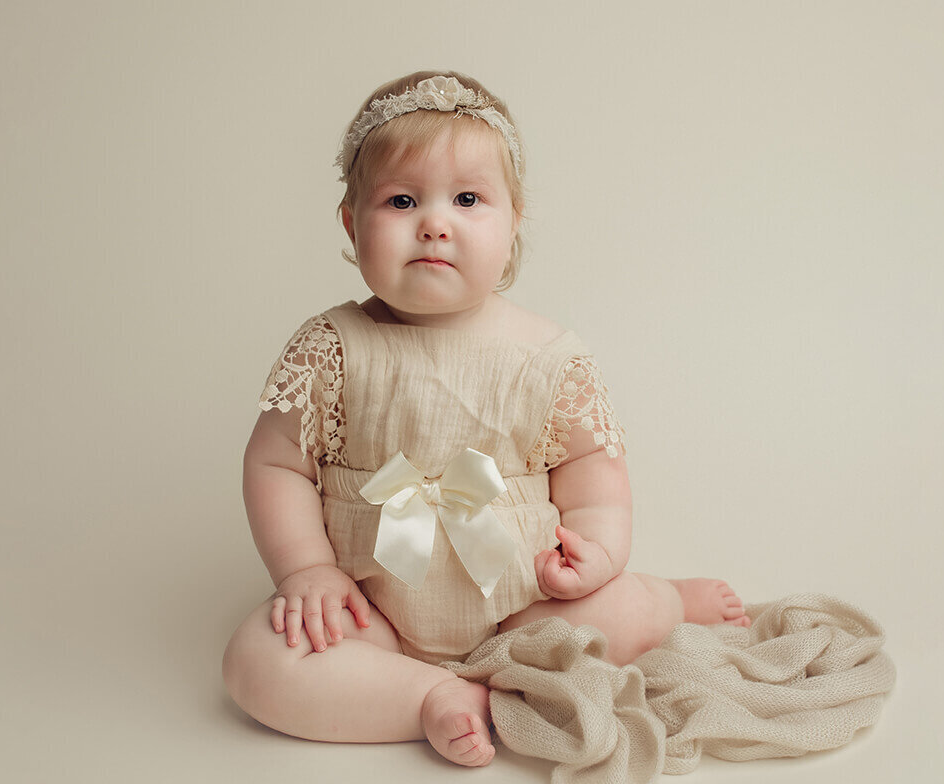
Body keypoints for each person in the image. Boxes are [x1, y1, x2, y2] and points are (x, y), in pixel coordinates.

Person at [222, 70, 750, 768]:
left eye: (468, 199)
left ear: (513, 221)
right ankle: (427, 695)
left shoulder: (547, 354)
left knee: (612, 613)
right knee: (254, 664)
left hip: (525, 607)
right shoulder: (332, 348)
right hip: (369, 612)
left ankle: (666, 602)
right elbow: (276, 465)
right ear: (352, 223)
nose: (434, 223)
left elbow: (593, 468)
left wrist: (597, 548)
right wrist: (307, 573)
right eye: (402, 200)